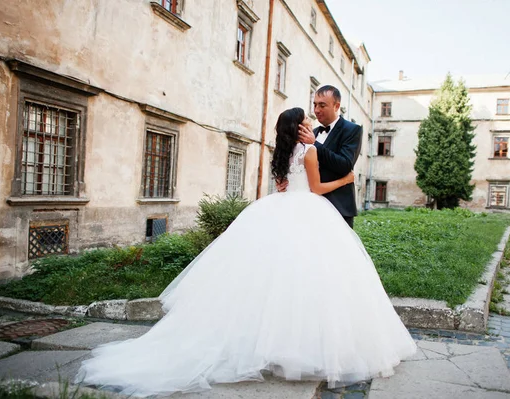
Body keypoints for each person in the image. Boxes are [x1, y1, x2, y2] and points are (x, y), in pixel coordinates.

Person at [75, 108, 416, 397]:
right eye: (306, 120)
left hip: (276, 210)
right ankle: (292, 349)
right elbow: (316, 189)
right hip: (308, 211)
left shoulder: (281, 154)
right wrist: (345, 181)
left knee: (264, 281)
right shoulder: (309, 151)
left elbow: (282, 186)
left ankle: (265, 347)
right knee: (306, 281)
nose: (311, 123)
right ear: (300, 128)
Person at [278, 85, 362, 228]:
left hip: (338, 207)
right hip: (308, 207)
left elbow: (345, 165)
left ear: (336, 106)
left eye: (322, 105)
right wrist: (285, 181)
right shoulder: (312, 132)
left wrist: (314, 144)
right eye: (315, 104)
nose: (316, 110)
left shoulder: (352, 130)